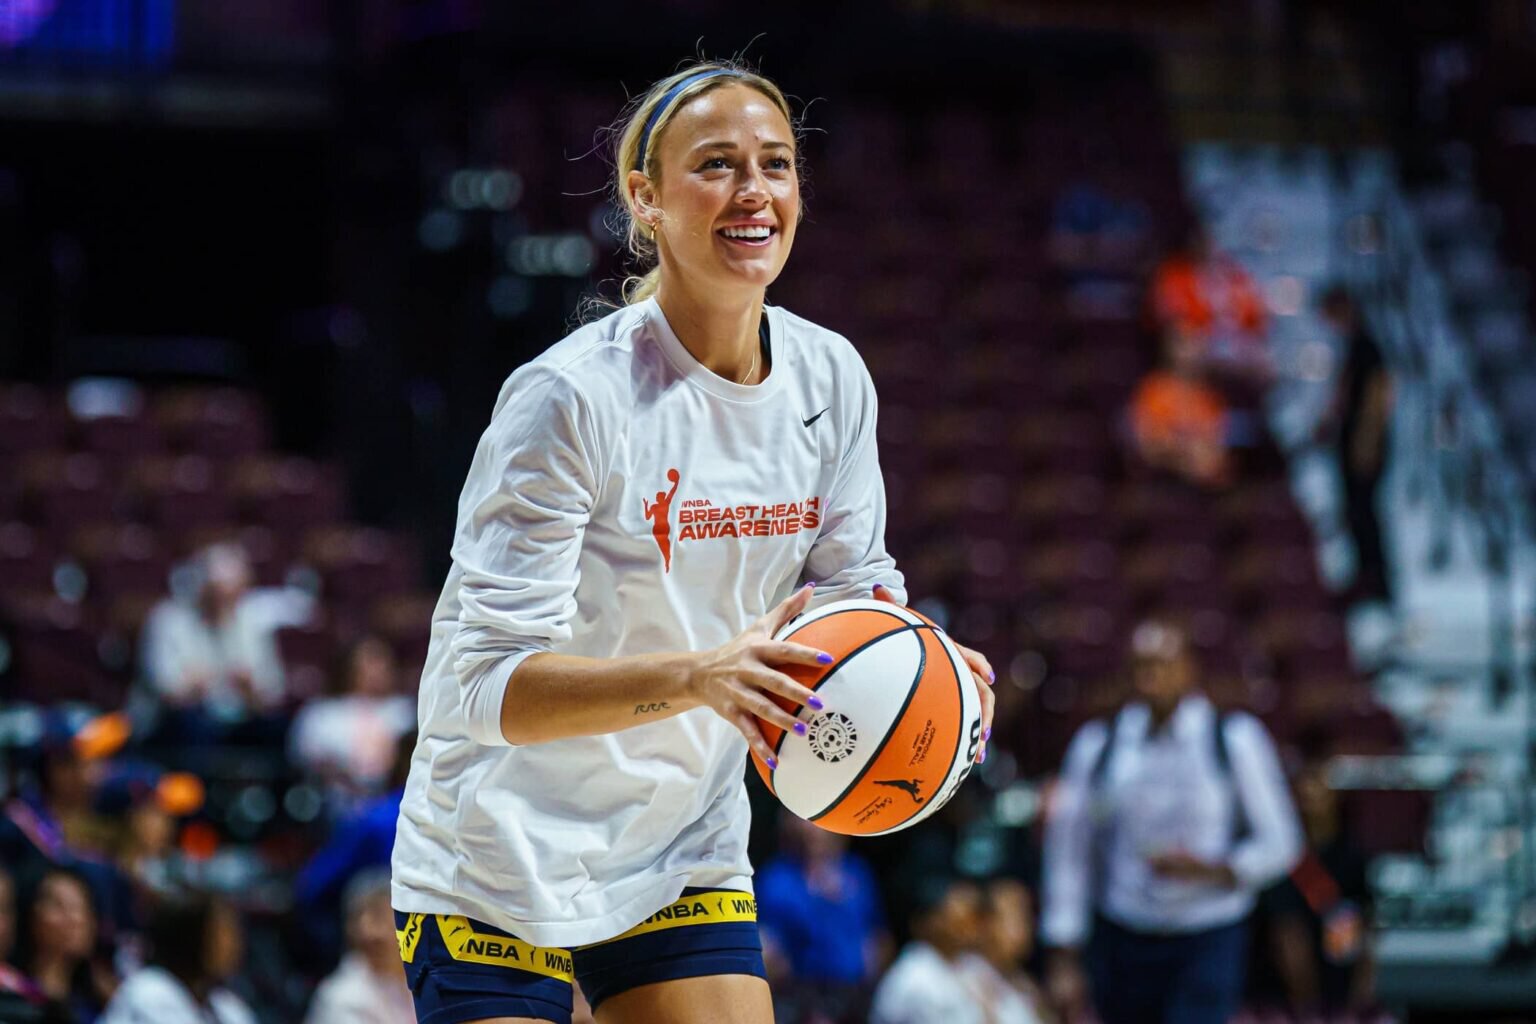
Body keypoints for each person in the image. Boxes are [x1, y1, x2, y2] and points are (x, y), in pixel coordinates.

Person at [389, 59, 995, 1024]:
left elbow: (853, 587)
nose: (754, 190)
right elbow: (483, 690)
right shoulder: (569, 398)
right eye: (716, 164)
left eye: (776, 164)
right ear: (646, 199)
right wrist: (700, 678)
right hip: (499, 849)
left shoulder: (832, 376)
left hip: (678, 840)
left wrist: (925, 660)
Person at [1040, 618, 1301, 1024]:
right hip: (1124, 933)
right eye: (1140, 666)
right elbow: (1069, 851)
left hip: (1208, 930)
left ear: (1189, 668)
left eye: (1162, 664)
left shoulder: (1233, 738)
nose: (1150, 678)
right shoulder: (1100, 743)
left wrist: (1217, 870)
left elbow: (1282, 840)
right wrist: (1064, 950)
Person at [140, 542, 308, 737]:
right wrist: (192, 686)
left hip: (240, 716)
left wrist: (250, 688)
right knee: (194, 724)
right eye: (217, 594)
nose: (224, 603)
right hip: (181, 718)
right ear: (201, 587)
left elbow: (272, 690)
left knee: (277, 726)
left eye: (233, 593)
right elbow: (164, 688)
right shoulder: (169, 619)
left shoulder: (252, 620)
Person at [1264, 746, 1376, 1016]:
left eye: (1318, 785)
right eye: (1303, 786)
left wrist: (1357, 997)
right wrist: (1307, 1007)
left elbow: (1363, 930)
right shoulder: (1283, 857)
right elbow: (1288, 937)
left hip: (1338, 989)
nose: (1310, 794)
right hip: (1282, 1001)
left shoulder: (1350, 857)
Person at [756, 814, 889, 999]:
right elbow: (768, 945)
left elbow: (878, 934)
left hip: (859, 993)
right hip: (802, 995)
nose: (812, 829)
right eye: (804, 820)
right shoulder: (776, 880)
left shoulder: (857, 872)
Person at [1318, 284, 1394, 605]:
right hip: (1351, 441)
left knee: (1364, 512)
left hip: (1364, 443)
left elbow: (1379, 396)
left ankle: (1376, 580)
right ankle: (1365, 576)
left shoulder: (1367, 346)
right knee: (1355, 511)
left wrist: (1367, 442)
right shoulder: (1352, 346)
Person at [289, 635, 416, 801]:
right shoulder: (321, 713)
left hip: (396, 800)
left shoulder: (405, 711)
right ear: (349, 667)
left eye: (382, 662)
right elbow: (307, 760)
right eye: (370, 661)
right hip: (336, 801)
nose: (377, 670)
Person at [99, 892, 255, 1024]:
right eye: (222, 934)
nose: (235, 944)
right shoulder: (149, 992)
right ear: (191, 938)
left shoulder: (225, 1004)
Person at [867, 875, 986, 1024]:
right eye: (960, 918)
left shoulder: (971, 964)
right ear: (931, 921)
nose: (970, 925)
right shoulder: (914, 976)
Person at [303, 872, 413, 1024]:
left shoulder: (422, 979)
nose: (368, 931)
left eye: (379, 916)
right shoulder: (341, 998)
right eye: (357, 918)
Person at [12, 866, 116, 1023]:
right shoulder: (12, 994)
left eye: (84, 907)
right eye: (60, 906)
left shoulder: (104, 999)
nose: (77, 919)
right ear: (30, 914)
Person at [955, 878, 1052, 1024]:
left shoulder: (1025, 983)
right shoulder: (967, 977)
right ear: (987, 923)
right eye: (1016, 917)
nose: (1027, 927)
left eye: (1029, 917)